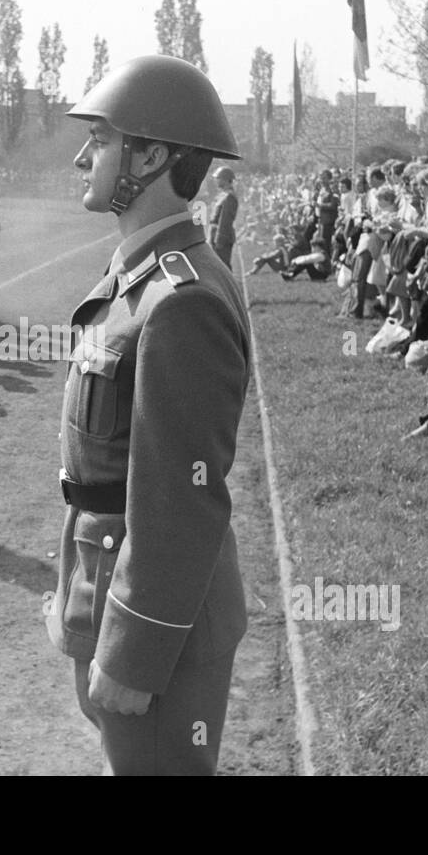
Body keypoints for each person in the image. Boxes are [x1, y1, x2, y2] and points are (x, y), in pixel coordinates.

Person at [46, 55, 250, 776]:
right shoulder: (139, 275)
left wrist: (136, 645)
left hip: (156, 609)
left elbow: (181, 500)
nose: (81, 155)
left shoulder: (181, 298)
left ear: (154, 155)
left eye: (100, 140)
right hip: (104, 571)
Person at [209, 166, 239, 268]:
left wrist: (219, 240)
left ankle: (230, 284)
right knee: (218, 267)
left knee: (223, 267)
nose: (216, 181)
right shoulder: (223, 195)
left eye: (218, 178)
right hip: (216, 234)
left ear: (225, 179)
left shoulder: (229, 197)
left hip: (222, 237)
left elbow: (225, 221)